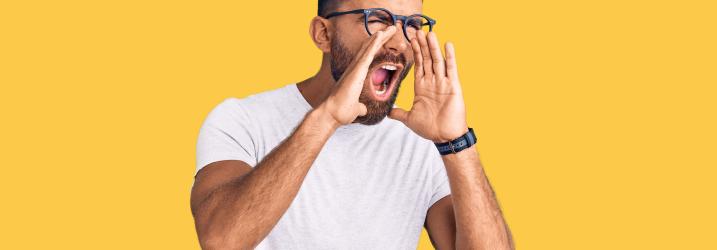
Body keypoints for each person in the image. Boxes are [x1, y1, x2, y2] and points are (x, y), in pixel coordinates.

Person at [190, 0, 514, 249]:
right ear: (323, 34)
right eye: (378, 20)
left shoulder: (421, 141)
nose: (399, 43)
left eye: (412, 25)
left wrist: (456, 141)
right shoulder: (242, 120)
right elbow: (222, 240)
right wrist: (327, 119)